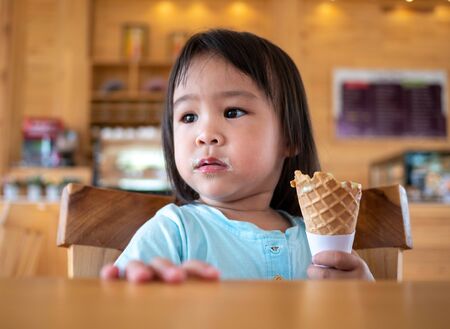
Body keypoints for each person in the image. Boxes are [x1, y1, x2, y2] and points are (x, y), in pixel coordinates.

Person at [101, 29, 374, 283]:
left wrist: (361, 293)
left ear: (289, 138)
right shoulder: (173, 231)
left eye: (232, 112)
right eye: (188, 117)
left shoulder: (319, 240)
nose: (205, 134)